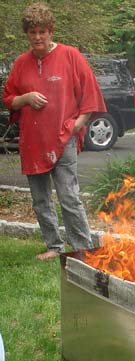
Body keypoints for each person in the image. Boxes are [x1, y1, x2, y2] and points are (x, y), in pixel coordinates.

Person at [2, 3, 106, 260]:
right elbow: (9, 100)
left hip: (63, 140)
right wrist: (25, 97)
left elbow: (91, 98)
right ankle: (54, 246)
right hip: (32, 142)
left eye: (42, 31)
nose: (38, 37)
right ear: (27, 33)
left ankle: (82, 248)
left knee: (69, 197)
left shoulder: (70, 56)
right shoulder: (21, 63)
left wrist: (75, 126)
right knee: (40, 200)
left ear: (51, 31)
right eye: (32, 32)